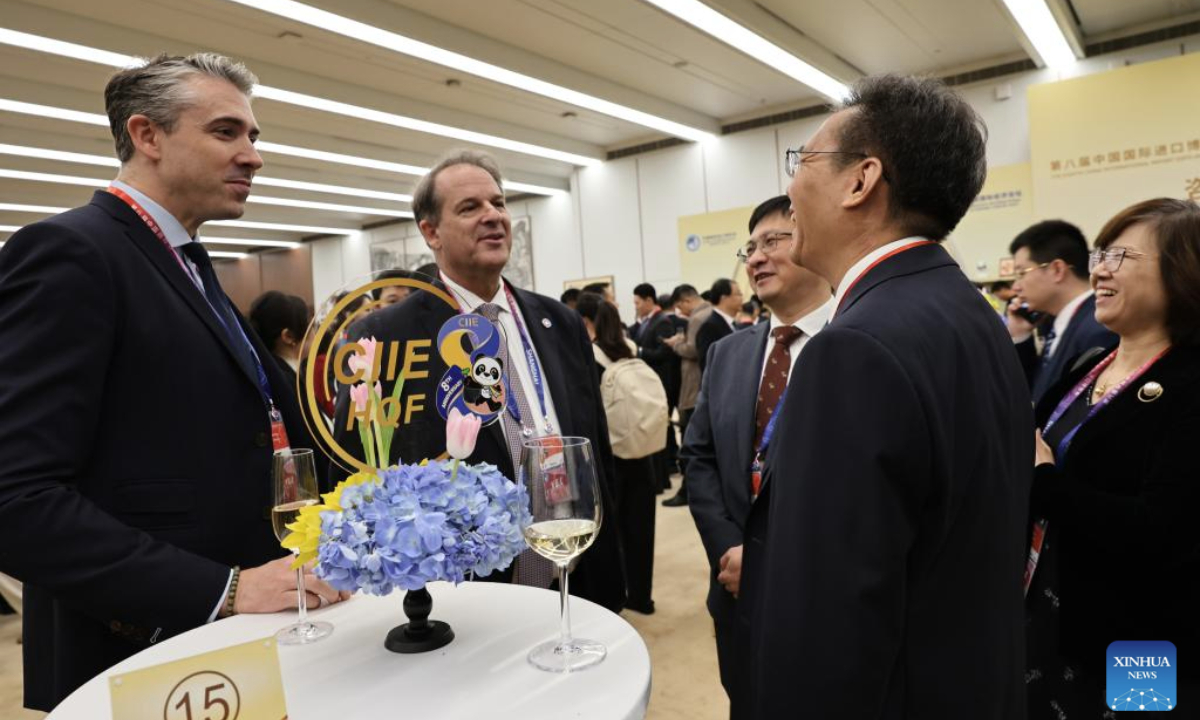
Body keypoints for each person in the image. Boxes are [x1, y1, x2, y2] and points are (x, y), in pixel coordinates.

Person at [0, 53, 345, 711]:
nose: (253, 156)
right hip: (141, 654)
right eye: (226, 132)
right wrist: (224, 590)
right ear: (147, 136)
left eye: (254, 137)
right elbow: (15, 496)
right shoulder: (73, 253)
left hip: (232, 653)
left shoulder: (186, 262)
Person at [739, 75, 1032, 719]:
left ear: (860, 180)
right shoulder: (968, 311)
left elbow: (831, 621)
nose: (791, 189)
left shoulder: (854, 348)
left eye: (803, 162)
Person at [331, 149, 626, 612]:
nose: (493, 217)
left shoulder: (559, 321)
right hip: (459, 595)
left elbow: (596, 451)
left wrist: (611, 567)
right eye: (470, 208)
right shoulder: (385, 336)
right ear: (431, 232)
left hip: (570, 567)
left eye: (499, 203)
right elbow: (355, 471)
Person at [1025, 198, 1200, 717]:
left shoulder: (1191, 384)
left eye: (1121, 256)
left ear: (1182, 271)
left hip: (1141, 639)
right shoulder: (1088, 364)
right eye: (1102, 253)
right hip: (1054, 624)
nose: (1099, 268)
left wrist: (1043, 481)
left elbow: (1161, 531)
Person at [683, 195, 833, 700]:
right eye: (749, 248)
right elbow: (699, 457)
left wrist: (775, 562)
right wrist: (730, 548)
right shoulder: (728, 352)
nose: (756, 258)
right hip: (735, 590)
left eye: (773, 241)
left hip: (822, 598)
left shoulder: (858, 341)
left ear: (816, 243)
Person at [576, 292, 661, 615]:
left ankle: (616, 598)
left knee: (612, 531)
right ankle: (643, 597)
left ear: (585, 321)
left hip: (611, 455)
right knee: (641, 528)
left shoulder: (590, 355)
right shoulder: (632, 349)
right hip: (643, 448)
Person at [1007, 220, 1117, 405]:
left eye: (1021, 273)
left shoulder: (1098, 329)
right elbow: (1039, 390)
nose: (1016, 286)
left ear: (1057, 270)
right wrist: (1021, 336)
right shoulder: (1064, 322)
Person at [662, 284, 707, 507]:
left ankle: (688, 491)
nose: (680, 312)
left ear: (687, 300)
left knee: (692, 444)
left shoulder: (698, 318)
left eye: (680, 306)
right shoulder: (710, 313)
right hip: (700, 387)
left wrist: (676, 344)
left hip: (693, 388)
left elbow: (693, 349)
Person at [249, 290, 310, 393]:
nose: (315, 332)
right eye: (310, 326)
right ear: (288, 336)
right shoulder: (285, 383)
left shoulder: (267, 372)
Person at [696, 278, 743, 374]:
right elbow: (707, 365)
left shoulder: (733, 324)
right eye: (738, 294)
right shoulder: (710, 327)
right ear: (724, 298)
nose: (742, 298)